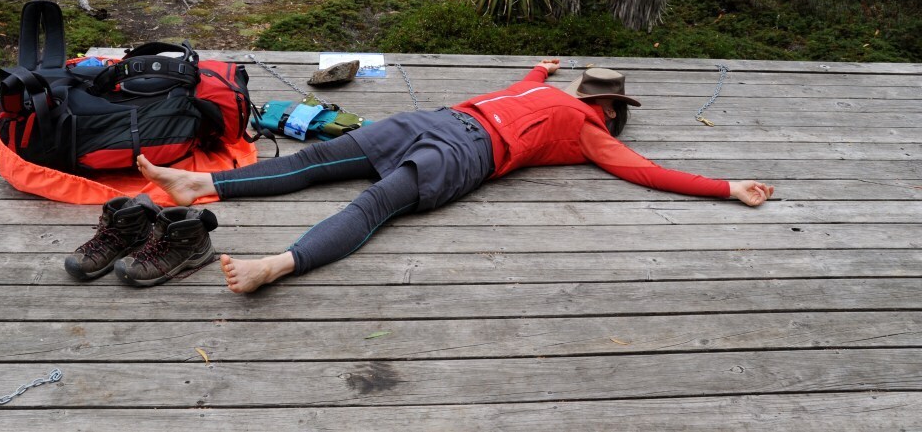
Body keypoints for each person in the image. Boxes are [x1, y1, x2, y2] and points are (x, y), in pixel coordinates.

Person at [138, 59, 774, 294]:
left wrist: (725, 187)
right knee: (311, 162)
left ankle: (277, 264)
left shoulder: (588, 134)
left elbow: (647, 173)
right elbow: (521, 87)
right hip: (438, 120)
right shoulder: (569, 108)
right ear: (609, 106)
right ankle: (201, 186)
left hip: (463, 150)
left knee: (374, 204)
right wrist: (538, 74)